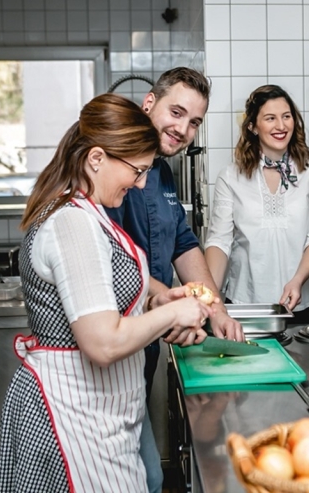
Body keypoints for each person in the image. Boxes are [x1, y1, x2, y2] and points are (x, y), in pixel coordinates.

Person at [0, 93, 215, 492]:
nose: (141, 183)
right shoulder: (72, 224)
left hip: (99, 414)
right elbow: (101, 342)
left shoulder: (91, 213)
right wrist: (174, 313)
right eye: (137, 170)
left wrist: (157, 299)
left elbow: (108, 290)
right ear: (97, 159)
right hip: (72, 417)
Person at [104, 67, 244, 493]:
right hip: (110, 344)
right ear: (149, 103)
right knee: (135, 476)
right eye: (176, 113)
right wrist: (172, 302)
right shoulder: (112, 168)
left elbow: (183, 245)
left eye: (195, 122)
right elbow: (114, 259)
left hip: (142, 351)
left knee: (143, 473)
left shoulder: (162, 172)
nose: (183, 129)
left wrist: (214, 308)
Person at [204, 85, 309, 325]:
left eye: (286, 116)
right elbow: (219, 241)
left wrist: (297, 280)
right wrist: (209, 299)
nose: (281, 126)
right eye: (270, 118)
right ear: (253, 126)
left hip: (302, 304)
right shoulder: (230, 177)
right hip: (245, 305)